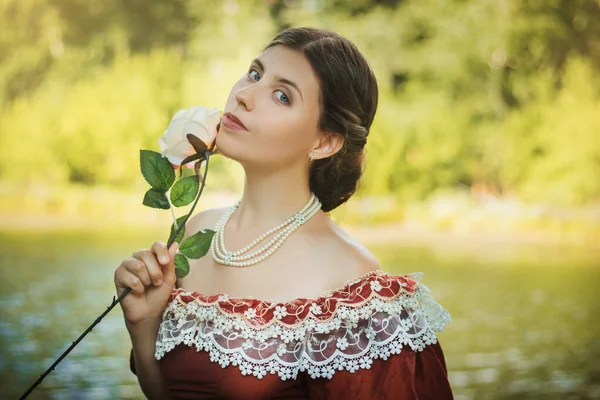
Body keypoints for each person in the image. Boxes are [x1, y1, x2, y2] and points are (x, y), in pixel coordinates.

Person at [114, 27, 453, 400]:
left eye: (281, 96)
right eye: (254, 74)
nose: (244, 96)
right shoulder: (198, 230)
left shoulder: (355, 284)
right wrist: (143, 326)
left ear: (324, 142)